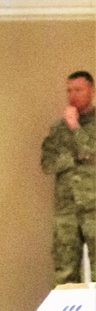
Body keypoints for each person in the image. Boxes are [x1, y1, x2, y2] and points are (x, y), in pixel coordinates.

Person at [41, 70, 95, 285]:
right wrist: (75, 156)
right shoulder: (57, 129)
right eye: (69, 90)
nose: (73, 95)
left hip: (94, 208)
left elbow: (90, 151)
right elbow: (47, 164)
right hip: (67, 212)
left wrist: (75, 127)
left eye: (78, 90)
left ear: (91, 90)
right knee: (65, 276)